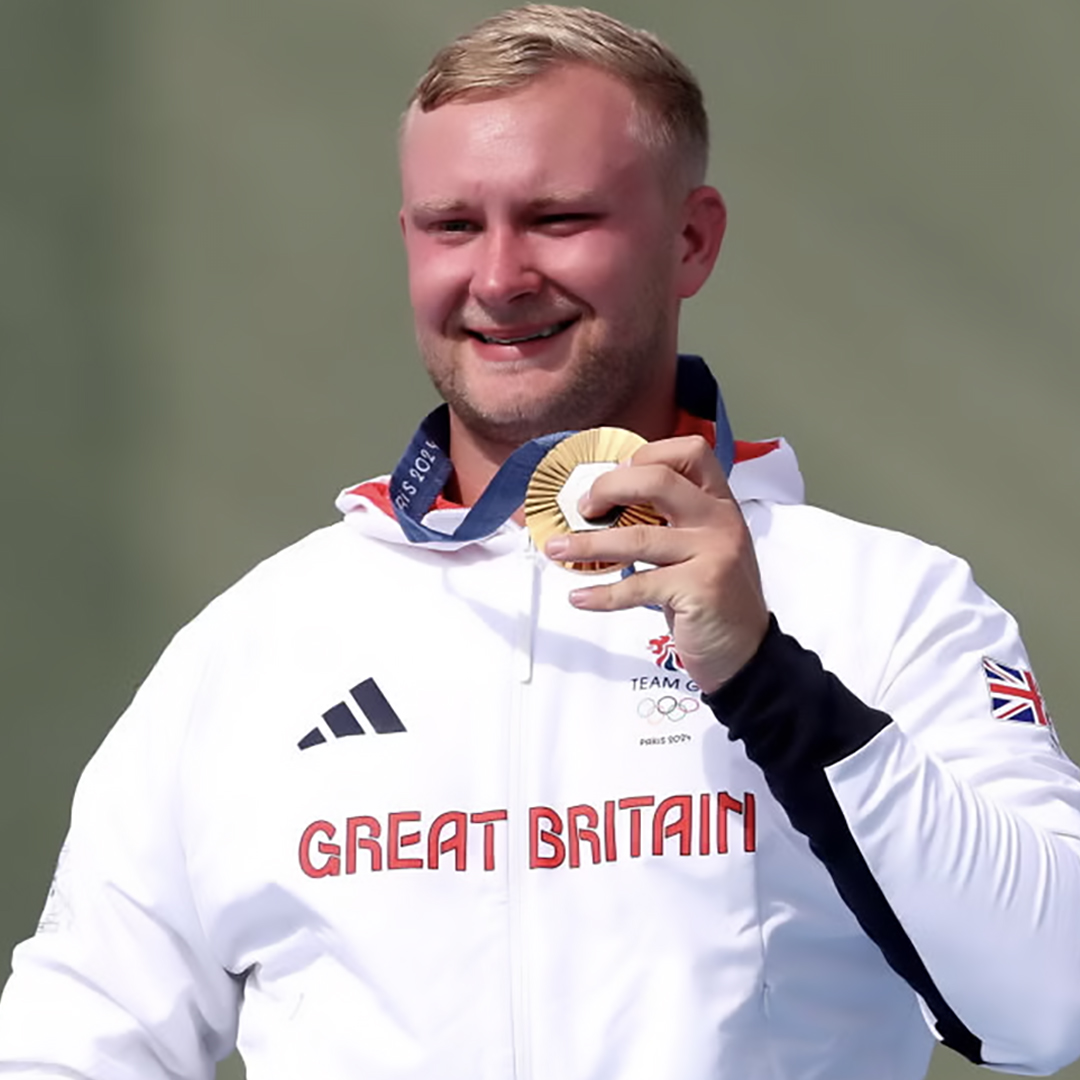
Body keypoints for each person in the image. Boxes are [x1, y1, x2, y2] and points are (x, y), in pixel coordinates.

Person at [1, 5, 1079, 1078]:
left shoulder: (884, 602)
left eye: (560, 218)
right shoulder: (254, 644)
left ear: (691, 238)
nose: (502, 276)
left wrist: (765, 675)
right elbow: (77, 1041)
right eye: (454, 225)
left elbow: (1054, 1003)